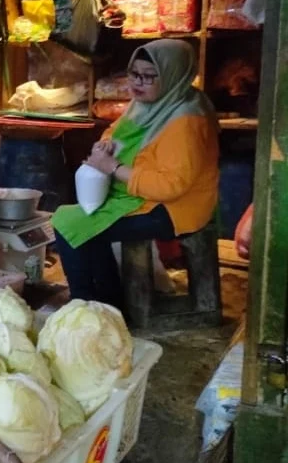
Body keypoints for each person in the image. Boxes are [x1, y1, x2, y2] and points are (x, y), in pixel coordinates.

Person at [51, 39, 219, 308]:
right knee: (77, 223)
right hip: (141, 194)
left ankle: (85, 303)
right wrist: (106, 145)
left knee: (70, 225)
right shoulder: (150, 104)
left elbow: (171, 186)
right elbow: (117, 131)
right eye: (134, 74)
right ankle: (107, 302)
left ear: (173, 76)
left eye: (149, 77)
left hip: (173, 208)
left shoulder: (186, 120)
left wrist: (113, 168)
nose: (138, 83)